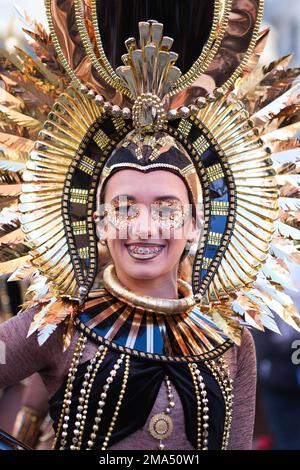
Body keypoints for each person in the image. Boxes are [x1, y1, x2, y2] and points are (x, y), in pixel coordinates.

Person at [0, 0, 299, 451]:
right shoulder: (58, 323)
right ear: (98, 222)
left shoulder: (231, 338)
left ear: (197, 225)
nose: (143, 227)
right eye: (123, 207)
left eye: (165, 208)